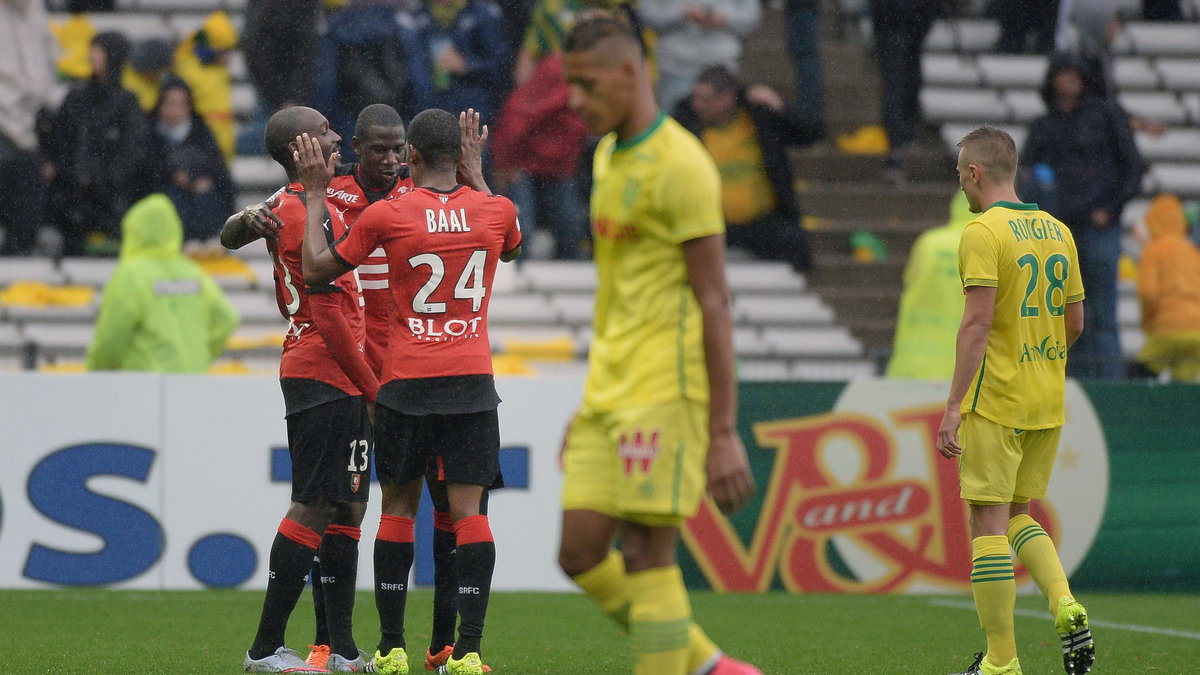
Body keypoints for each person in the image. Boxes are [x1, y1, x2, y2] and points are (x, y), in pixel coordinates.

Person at [558, 13, 758, 675]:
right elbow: (619, 292)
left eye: (586, 85)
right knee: (579, 552)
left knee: (648, 556)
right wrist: (589, 398)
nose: (576, 102)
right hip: (610, 390)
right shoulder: (609, 155)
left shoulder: (682, 165)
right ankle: (709, 665)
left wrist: (722, 428)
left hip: (665, 391)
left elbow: (713, 300)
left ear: (628, 72)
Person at [299, 107, 521, 675]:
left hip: (406, 384)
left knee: (398, 510)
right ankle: (467, 654)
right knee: (470, 515)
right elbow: (511, 244)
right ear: (462, 157)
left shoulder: (387, 214)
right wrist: (478, 174)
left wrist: (318, 197)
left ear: (412, 157)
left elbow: (318, 272)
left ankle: (392, 647)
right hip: (472, 383)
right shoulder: (496, 211)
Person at [936, 127, 1093, 675]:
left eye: (960, 174)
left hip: (997, 396)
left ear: (975, 173)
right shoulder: (1058, 230)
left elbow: (977, 321)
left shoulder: (982, 232)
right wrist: (1039, 355)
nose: (959, 184)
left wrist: (954, 403)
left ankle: (1002, 661)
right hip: (1046, 396)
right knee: (1022, 515)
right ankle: (1063, 602)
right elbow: (1075, 322)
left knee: (988, 525)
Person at [241, 106, 380, 674]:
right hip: (323, 371)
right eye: (325, 130)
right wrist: (373, 389)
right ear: (304, 145)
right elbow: (326, 313)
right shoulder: (299, 211)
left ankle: (341, 648)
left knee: (345, 504)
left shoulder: (293, 205)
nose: (335, 136)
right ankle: (265, 647)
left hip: (332, 373)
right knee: (315, 502)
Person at [1021, 51, 1142, 380]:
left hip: (1099, 227)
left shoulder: (1105, 116)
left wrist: (1110, 209)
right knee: (1062, 311)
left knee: (1101, 312)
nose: (1071, 79)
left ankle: (1109, 388)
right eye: (1064, 72)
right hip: (1058, 232)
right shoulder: (1043, 125)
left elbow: (1132, 168)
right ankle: (1072, 382)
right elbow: (1027, 174)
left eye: (1077, 73)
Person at [673, 64, 823, 272]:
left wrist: (780, 106)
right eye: (695, 98)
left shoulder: (758, 117)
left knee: (795, 243)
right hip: (708, 226)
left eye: (706, 100)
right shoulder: (684, 124)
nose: (697, 105)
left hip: (760, 223)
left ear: (727, 98)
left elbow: (814, 133)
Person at [86, 194, 238, 372]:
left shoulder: (131, 274)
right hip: (191, 384)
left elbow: (112, 335)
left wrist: (97, 371)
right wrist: (200, 354)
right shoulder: (191, 271)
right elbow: (227, 318)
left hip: (143, 386)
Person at [45, 31, 149, 256]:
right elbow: (59, 143)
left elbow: (132, 154)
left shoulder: (127, 103)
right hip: (70, 200)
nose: (92, 56)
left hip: (111, 203)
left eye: (98, 50)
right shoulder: (76, 97)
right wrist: (73, 175)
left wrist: (97, 179)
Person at [885, 191, 974, 379]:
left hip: (912, 363)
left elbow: (910, 280)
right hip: (968, 369)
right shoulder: (996, 246)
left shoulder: (929, 242)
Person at [143, 77, 235, 243]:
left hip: (198, 198)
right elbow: (142, 171)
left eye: (181, 104)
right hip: (163, 195)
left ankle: (208, 240)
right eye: (170, 104)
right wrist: (173, 176)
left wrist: (194, 179)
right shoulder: (147, 132)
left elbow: (220, 173)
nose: (175, 111)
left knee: (205, 194)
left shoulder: (202, 133)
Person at [637, 0, 761, 113]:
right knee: (673, 122)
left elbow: (752, 16)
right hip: (675, 68)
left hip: (721, 68)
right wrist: (682, 13)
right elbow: (644, 14)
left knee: (720, 122)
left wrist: (726, 18)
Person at [0, 0, 54, 256]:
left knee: (27, 198)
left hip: (28, 122)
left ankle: (20, 253)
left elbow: (42, 68)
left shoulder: (34, 11)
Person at [870, 0, 939, 184]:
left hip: (902, 25)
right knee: (900, 86)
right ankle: (899, 141)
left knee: (905, 84)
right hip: (900, 24)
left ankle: (901, 139)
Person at [1135, 193, 1200, 382]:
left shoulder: (1153, 250)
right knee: (1181, 392)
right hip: (1197, 332)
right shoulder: (1192, 250)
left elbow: (1147, 292)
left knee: (1138, 377)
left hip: (1168, 328)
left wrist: (1148, 324)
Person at [173, 10, 239, 163]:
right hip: (201, 146)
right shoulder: (188, 70)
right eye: (224, 51)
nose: (227, 57)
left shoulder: (219, 69)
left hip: (224, 145)